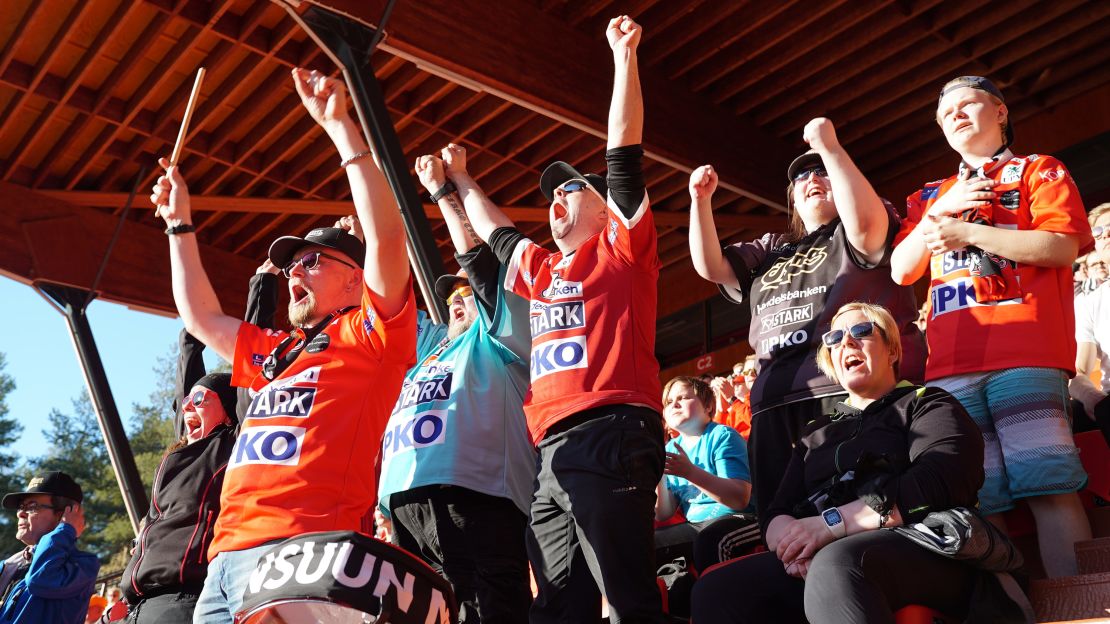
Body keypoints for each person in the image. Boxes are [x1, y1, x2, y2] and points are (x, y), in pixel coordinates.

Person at [151, 67, 415, 624]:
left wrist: (341, 127)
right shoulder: (275, 350)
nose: (297, 269)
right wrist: (179, 225)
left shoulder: (371, 332)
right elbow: (199, 315)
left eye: (313, 260)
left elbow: (389, 238)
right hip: (223, 562)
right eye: (293, 262)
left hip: (304, 554)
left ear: (355, 278)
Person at [445, 16, 667, 622]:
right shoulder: (543, 271)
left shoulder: (623, 248)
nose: (556, 200)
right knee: (557, 606)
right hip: (551, 450)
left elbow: (622, 151)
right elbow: (495, 233)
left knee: (625, 596)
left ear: (606, 208)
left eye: (571, 190)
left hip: (614, 431)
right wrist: (458, 179)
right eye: (552, 194)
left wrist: (624, 56)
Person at [890, 75, 1093, 577]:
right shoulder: (930, 195)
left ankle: (1078, 609)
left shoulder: (1039, 169)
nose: (955, 116)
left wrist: (966, 230)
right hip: (950, 370)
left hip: (1023, 350)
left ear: (1000, 112)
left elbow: (1061, 247)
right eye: (945, 114)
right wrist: (946, 208)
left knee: (1048, 485)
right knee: (982, 503)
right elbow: (901, 269)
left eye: (967, 104)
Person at [691, 303, 998, 623]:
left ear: (893, 351)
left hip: (924, 546)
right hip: (826, 555)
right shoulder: (815, 433)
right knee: (715, 589)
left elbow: (942, 479)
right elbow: (776, 511)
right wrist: (792, 547)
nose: (846, 342)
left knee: (833, 566)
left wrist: (830, 526)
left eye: (862, 332)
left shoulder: (927, 403)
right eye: (834, 338)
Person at [687, 117, 926, 522]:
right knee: (781, 526)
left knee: (851, 515)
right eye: (801, 178)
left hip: (843, 395)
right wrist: (700, 202)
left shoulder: (860, 221)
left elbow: (867, 229)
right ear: (793, 201)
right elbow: (711, 266)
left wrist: (829, 147)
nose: (811, 178)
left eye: (821, 171)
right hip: (771, 408)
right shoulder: (770, 249)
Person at [376, 151, 535, 623]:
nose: (458, 300)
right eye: (451, 298)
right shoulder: (428, 357)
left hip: (478, 494)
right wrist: (364, 243)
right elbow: (387, 303)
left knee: (486, 613)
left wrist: (445, 195)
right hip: (407, 505)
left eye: (467, 294)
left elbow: (482, 267)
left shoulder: (498, 342)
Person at [654, 376, 755, 572]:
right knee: (644, 545)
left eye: (682, 398)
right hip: (695, 525)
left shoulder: (722, 435)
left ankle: (718, 602)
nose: (674, 404)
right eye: (668, 402)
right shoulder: (670, 449)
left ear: (708, 406)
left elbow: (739, 499)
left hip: (739, 519)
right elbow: (663, 513)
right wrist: (659, 475)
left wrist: (690, 471)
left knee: (710, 540)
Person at [0, 471, 99, 624]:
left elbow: (41, 580)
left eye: (31, 506)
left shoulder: (84, 564)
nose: (20, 513)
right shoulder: (12, 565)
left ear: (65, 514)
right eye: (21, 507)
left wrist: (65, 529)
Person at [1072, 203, 1110, 440]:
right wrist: (1093, 398)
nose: (1105, 234)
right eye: (1098, 232)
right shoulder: (1090, 302)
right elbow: (1077, 372)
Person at [710, 356, 757, 438]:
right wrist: (722, 411)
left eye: (754, 370)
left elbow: (757, 421)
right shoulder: (736, 406)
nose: (750, 374)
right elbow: (719, 435)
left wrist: (731, 398)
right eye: (746, 372)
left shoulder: (766, 395)